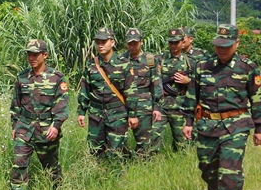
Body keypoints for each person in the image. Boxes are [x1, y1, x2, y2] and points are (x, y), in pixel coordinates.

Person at [184, 24, 261, 190]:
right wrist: (188, 123)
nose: (222, 49)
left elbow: (257, 100)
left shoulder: (248, 68)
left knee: (229, 170)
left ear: (237, 43)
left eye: (226, 45)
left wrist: (259, 128)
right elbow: (192, 96)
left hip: (236, 125)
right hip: (207, 124)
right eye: (218, 45)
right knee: (207, 167)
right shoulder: (202, 66)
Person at [9, 39, 68, 190]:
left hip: (46, 129)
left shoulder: (56, 78)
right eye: (29, 54)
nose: (32, 58)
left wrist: (56, 126)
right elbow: (15, 104)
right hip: (24, 128)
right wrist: (14, 126)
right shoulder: (22, 77)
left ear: (45, 55)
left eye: (35, 54)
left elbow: (61, 105)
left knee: (51, 166)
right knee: (19, 163)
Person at [76, 28, 132, 161]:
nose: (100, 45)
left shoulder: (124, 63)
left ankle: (119, 172)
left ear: (112, 42)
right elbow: (85, 89)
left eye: (104, 42)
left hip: (117, 114)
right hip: (96, 115)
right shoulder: (91, 64)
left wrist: (133, 114)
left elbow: (130, 91)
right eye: (98, 42)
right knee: (95, 151)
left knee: (116, 152)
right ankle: (98, 173)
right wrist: (81, 111)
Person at [153, 27, 196, 151]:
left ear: (183, 42)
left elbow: (200, 83)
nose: (173, 45)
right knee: (153, 137)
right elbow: (152, 79)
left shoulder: (191, 61)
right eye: (170, 42)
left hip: (180, 106)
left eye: (176, 42)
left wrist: (188, 81)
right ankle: (149, 158)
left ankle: (181, 160)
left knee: (182, 143)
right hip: (161, 105)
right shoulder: (159, 59)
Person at [121, 28, 158, 158]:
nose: (132, 46)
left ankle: (143, 163)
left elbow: (156, 83)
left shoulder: (149, 59)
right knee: (120, 139)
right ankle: (124, 161)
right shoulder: (121, 59)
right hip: (124, 104)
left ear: (141, 42)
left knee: (144, 141)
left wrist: (157, 107)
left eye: (135, 43)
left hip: (144, 104)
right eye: (129, 43)